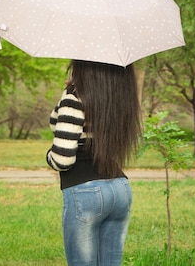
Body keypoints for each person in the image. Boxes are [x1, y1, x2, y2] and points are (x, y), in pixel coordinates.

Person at [47, 59, 142, 266]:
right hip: (120, 189)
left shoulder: (75, 98)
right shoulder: (120, 97)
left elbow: (62, 159)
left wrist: (49, 156)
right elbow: (56, 120)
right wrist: (70, 90)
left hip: (86, 193)